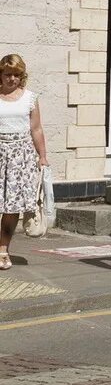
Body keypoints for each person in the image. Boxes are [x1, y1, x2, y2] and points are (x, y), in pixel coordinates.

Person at [0, 54, 49, 272]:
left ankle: (3, 250)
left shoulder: (30, 98)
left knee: (11, 208)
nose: (12, 79)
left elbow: (36, 129)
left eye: (16, 75)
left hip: (21, 157)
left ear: (22, 76)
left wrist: (42, 156)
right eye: (8, 74)